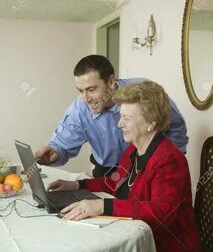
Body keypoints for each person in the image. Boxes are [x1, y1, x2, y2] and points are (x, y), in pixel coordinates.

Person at [47, 81, 202, 252]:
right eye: (121, 116)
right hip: (142, 239)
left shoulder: (168, 159)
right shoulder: (133, 150)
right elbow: (113, 183)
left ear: (151, 123)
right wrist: (76, 185)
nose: (119, 124)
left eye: (127, 118)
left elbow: (162, 211)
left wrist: (102, 206)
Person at [35, 54, 188, 177]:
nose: (85, 98)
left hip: (149, 168)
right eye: (81, 91)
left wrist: (167, 163)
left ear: (111, 82)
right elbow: (62, 145)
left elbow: (175, 126)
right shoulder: (80, 108)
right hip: (108, 172)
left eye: (92, 89)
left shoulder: (143, 93)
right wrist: (53, 153)